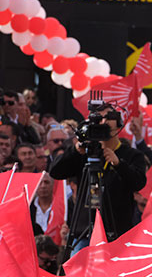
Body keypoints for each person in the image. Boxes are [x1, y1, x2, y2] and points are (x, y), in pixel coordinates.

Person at [50, 103, 147, 246]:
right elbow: (55, 171)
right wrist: (76, 150)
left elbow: (139, 182)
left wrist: (119, 164)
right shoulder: (84, 153)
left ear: (119, 124)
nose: (103, 122)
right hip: (84, 232)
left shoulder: (131, 155)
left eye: (108, 118)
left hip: (116, 232)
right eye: (97, 119)